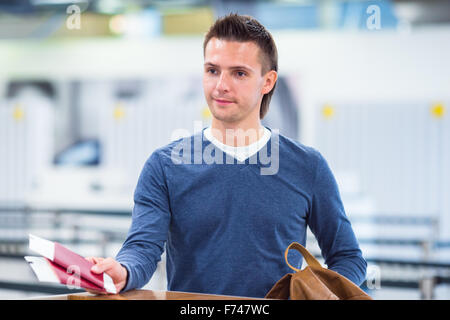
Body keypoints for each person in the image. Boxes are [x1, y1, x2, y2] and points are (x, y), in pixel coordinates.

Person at [86, 13, 367, 298]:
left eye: (239, 73)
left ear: (267, 81)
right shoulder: (165, 166)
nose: (221, 85)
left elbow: (348, 257)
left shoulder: (307, 166)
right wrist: (123, 269)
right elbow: (142, 249)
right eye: (212, 70)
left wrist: (325, 293)